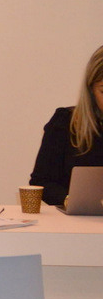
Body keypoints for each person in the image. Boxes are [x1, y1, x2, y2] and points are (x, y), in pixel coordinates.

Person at [29, 44, 103, 207]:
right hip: (78, 220)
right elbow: (41, 182)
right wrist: (70, 200)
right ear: (91, 90)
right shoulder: (65, 123)